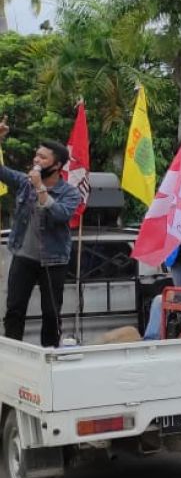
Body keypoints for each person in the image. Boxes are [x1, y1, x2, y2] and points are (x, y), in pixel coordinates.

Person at [0, 121, 84, 348]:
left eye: (43, 158)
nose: (36, 160)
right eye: (36, 156)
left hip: (54, 260)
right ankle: (13, 355)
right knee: (14, 309)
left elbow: (60, 214)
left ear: (57, 165)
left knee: (51, 313)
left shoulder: (70, 193)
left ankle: (49, 357)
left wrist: (40, 188)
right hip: (23, 256)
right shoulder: (24, 182)